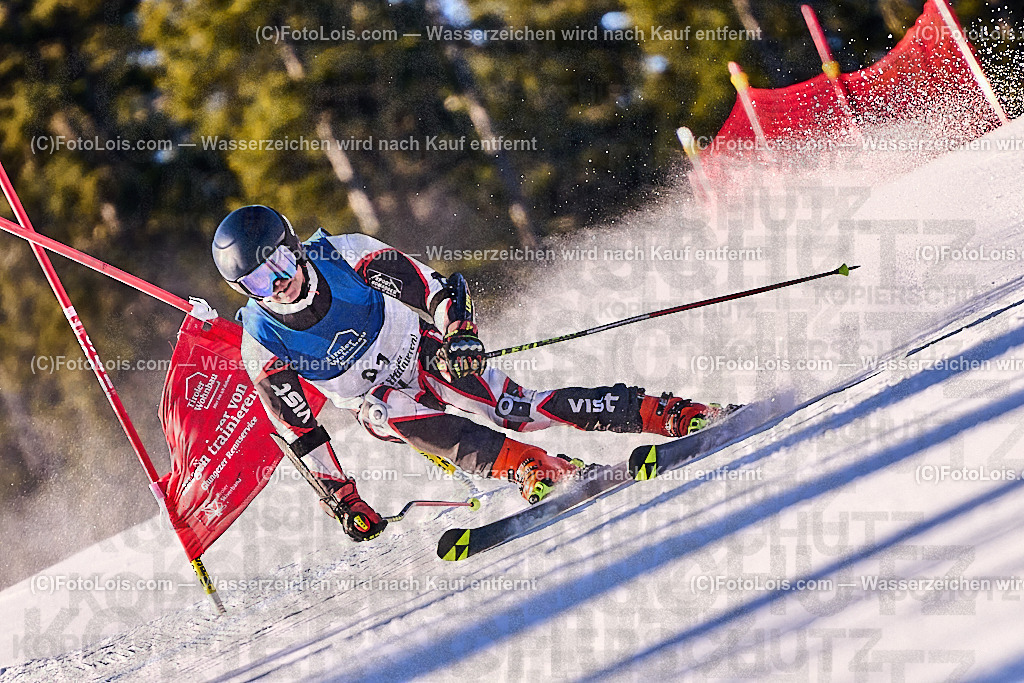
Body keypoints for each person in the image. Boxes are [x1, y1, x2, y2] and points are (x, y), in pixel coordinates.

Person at [212, 205, 729, 542]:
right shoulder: (262, 344)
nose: (277, 281)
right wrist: (343, 499)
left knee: (516, 409)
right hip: (375, 400)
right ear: (244, 291)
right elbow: (301, 432)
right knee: (391, 411)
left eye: (278, 261)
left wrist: (459, 334)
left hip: (426, 354)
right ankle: (531, 469)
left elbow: (434, 290)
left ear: (294, 245)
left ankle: (664, 413)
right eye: (257, 278)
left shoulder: (344, 254)